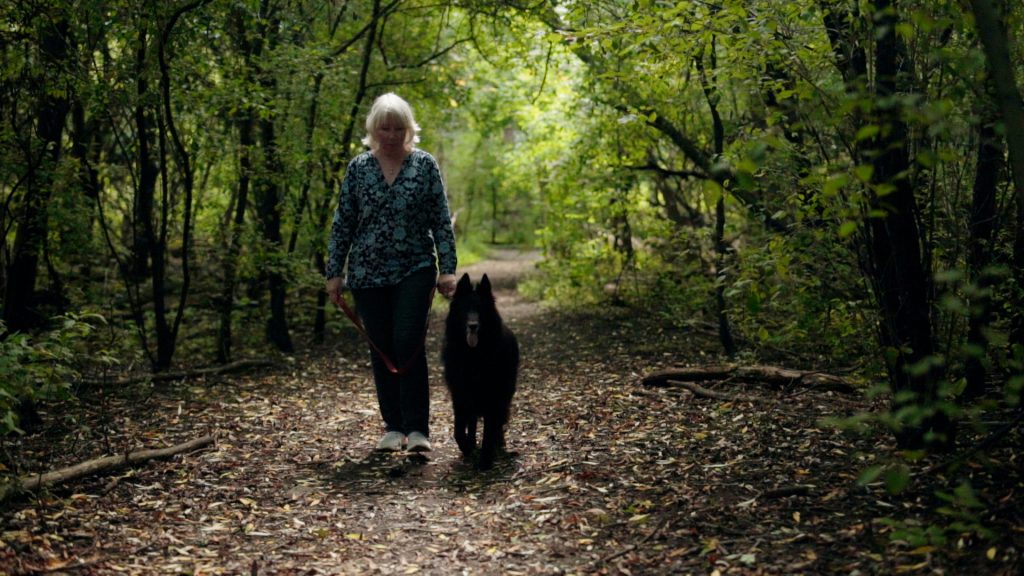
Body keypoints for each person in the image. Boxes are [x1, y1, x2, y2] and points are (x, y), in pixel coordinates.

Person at [325, 93, 457, 452]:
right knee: (381, 346)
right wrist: (334, 272)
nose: (392, 134)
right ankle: (393, 426)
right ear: (373, 129)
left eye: (399, 127)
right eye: (385, 127)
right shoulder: (358, 168)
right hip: (367, 272)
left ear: (409, 129)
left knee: (407, 342)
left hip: (415, 266)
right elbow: (343, 224)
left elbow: (441, 221)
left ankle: (417, 429)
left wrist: (448, 270)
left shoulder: (424, 165)